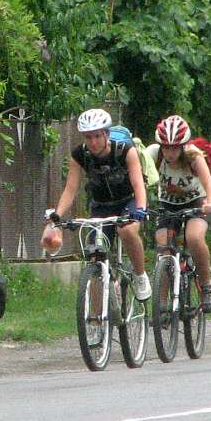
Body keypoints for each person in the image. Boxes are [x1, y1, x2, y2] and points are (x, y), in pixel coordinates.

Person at [41, 107, 152, 301]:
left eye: (97, 136)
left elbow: (138, 184)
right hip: (101, 205)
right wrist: (57, 215)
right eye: (88, 137)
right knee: (95, 255)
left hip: (129, 201)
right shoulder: (79, 155)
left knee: (126, 231)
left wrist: (140, 209)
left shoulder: (125, 150)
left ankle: (140, 274)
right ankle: (95, 320)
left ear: (106, 134)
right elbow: (71, 188)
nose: (93, 142)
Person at [144, 115, 211, 313]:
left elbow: (210, 186)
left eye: (175, 147)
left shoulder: (194, 157)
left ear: (183, 146)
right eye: (166, 147)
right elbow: (139, 177)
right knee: (163, 248)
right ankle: (161, 304)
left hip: (196, 203)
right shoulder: (152, 154)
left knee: (193, 238)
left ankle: (207, 285)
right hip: (167, 205)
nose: (169, 152)